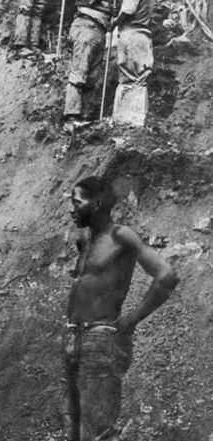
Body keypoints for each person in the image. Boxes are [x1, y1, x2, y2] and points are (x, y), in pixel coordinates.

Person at [64, 176, 178, 441]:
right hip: (72, 338)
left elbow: (166, 276)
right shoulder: (86, 242)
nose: (71, 210)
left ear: (97, 204)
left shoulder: (121, 236)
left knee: (98, 432)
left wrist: (131, 320)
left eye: (77, 203)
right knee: (72, 428)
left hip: (99, 339)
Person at [63, 0, 121, 128]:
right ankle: (71, 116)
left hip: (100, 29)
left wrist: (112, 4)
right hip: (86, 26)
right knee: (80, 72)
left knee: (93, 77)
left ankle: (85, 116)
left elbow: (104, 1)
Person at [110, 0, 156, 126]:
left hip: (131, 34)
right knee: (139, 80)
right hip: (142, 36)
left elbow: (128, 11)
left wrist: (114, 22)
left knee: (129, 78)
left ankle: (126, 121)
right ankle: (137, 120)